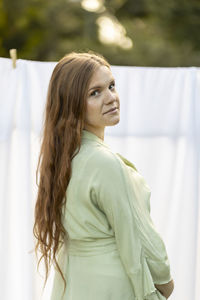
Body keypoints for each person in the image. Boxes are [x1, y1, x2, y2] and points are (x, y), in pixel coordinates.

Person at [33, 51, 174, 300]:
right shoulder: (103, 163)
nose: (111, 98)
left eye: (111, 86)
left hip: (72, 285)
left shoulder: (63, 160)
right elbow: (135, 238)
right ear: (72, 103)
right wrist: (164, 283)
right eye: (94, 93)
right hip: (113, 287)